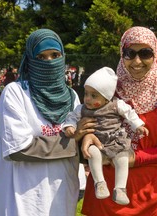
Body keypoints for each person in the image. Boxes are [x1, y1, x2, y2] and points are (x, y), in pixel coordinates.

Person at [78, 26, 157, 216]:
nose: (137, 61)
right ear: (122, 54)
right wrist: (84, 135)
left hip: (151, 198)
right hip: (105, 197)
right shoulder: (105, 91)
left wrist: (136, 159)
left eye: (145, 53)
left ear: (156, 54)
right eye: (130, 53)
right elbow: (87, 123)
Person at [0, 29, 81, 216]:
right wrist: (73, 142)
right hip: (25, 198)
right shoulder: (16, 92)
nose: (49, 62)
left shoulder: (71, 96)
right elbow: (18, 149)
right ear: (30, 59)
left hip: (62, 193)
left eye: (55, 55)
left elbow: (80, 143)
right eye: (41, 57)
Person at [62, 66, 149, 205]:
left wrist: (137, 125)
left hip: (115, 141)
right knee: (92, 152)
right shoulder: (82, 108)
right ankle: (99, 183)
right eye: (86, 93)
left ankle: (120, 189)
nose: (88, 99)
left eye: (94, 95)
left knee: (122, 158)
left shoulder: (116, 104)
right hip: (96, 143)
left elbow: (129, 113)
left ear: (107, 98)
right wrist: (70, 126)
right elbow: (72, 117)